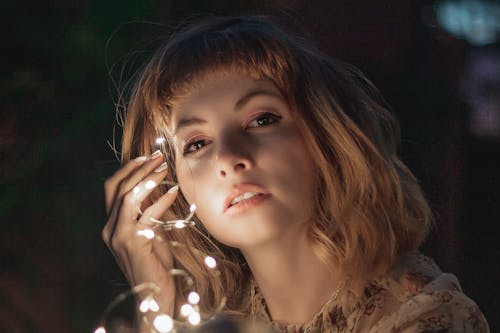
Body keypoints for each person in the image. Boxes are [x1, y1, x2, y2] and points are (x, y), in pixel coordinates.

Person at [102, 16, 489, 332]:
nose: (230, 158)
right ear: (172, 188)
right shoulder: (217, 323)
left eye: (261, 119)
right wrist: (154, 300)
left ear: (324, 134)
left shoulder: (426, 317)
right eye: (197, 144)